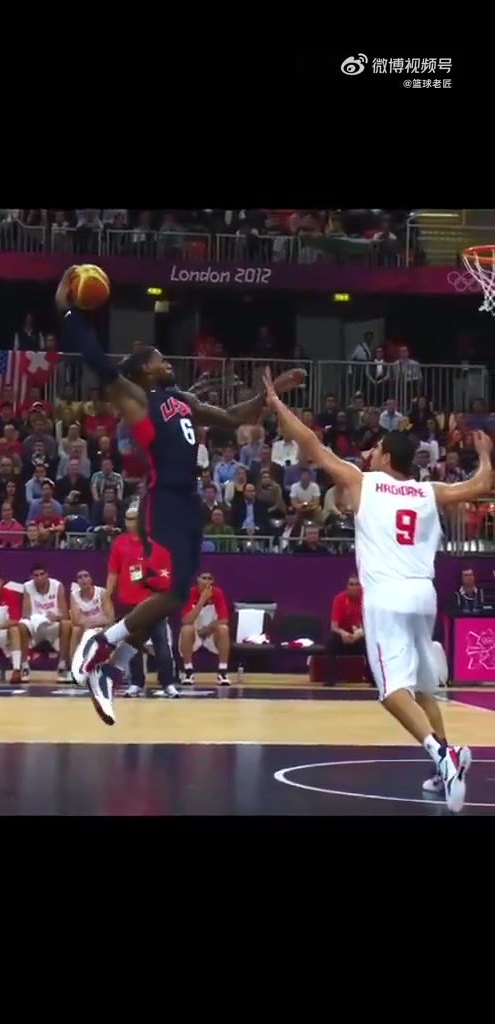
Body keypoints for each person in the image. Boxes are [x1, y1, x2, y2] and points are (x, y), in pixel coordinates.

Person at [56, 267, 302, 725]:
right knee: (169, 593)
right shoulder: (135, 398)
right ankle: (101, 643)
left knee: (176, 595)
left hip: (189, 501)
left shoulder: (181, 400)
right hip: (163, 500)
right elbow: (95, 359)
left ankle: (111, 669)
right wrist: (67, 310)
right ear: (143, 370)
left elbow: (232, 417)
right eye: (159, 359)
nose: (167, 361)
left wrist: (267, 398)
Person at [263, 368, 493, 814]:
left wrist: (275, 404)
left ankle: (441, 755)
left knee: (390, 691)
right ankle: (445, 765)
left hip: (387, 595)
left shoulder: (361, 481)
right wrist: (485, 455)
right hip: (424, 596)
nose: (370, 452)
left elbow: (310, 444)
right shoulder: (428, 491)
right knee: (422, 689)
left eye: (377, 449)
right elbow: (482, 486)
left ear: (387, 457)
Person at [106, 505, 178, 698]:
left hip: (153, 604)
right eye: (129, 519)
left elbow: (166, 577)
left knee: (161, 644)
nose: (132, 523)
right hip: (129, 603)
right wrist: (107, 596)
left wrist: (148, 579)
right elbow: (113, 572)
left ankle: (168, 684)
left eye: (136, 518)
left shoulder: (156, 545)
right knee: (132, 645)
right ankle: (136, 683)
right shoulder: (119, 543)